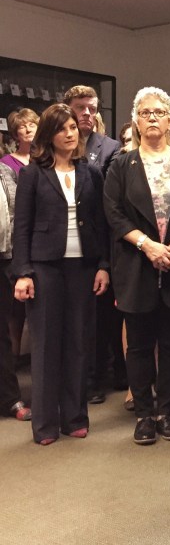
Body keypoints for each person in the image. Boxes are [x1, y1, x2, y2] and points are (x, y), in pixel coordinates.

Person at [103, 87, 170, 446]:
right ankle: (144, 414)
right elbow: (112, 214)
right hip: (136, 264)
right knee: (140, 346)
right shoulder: (120, 165)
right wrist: (147, 246)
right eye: (145, 113)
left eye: (159, 112)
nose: (153, 119)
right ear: (136, 120)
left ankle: (166, 411)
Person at [11, 103, 110, 445]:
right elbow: (20, 227)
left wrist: (102, 266)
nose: (70, 133)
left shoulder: (90, 172)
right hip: (44, 268)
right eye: (62, 129)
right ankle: (45, 424)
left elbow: (100, 224)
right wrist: (23, 272)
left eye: (73, 127)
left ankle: (74, 417)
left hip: (83, 267)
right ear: (48, 136)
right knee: (46, 346)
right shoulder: (32, 174)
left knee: (78, 344)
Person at [63, 85, 122, 405]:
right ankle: (75, 376)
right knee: (71, 317)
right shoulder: (53, 145)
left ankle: (97, 376)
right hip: (63, 240)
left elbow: (108, 195)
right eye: (80, 107)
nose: (87, 113)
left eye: (92, 107)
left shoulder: (110, 147)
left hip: (99, 236)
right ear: (67, 108)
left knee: (99, 316)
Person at [1, 161, 31, 422]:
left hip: (3, 259)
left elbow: (15, 216)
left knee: (2, 333)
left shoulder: (4, 171)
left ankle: (10, 398)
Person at [1, 108, 39, 174]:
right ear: (16, 134)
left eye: (31, 125)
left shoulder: (47, 158)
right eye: (22, 127)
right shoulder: (6, 162)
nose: (28, 130)